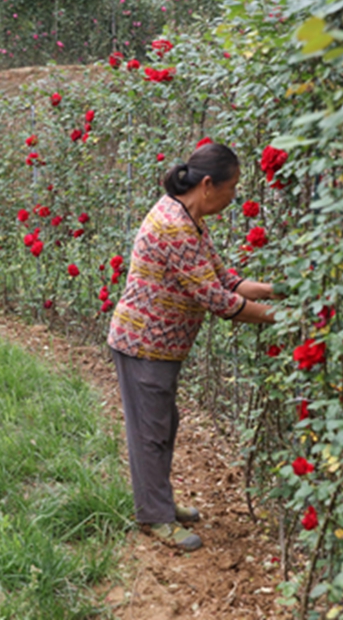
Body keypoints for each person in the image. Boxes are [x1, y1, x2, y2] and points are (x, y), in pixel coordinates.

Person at [107, 142, 276, 551]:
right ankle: (155, 516)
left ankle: (159, 501)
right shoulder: (175, 227)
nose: (235, 196)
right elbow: (220, 301)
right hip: (144, 342)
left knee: (165, 424)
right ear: (207, 184)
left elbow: (227, 280)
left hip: (161, 345)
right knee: (150, 432)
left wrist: (281, 291)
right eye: (232, 187)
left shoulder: (191, 220)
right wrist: (281, 317)